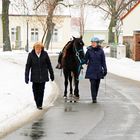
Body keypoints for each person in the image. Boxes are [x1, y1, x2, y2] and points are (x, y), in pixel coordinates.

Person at [25, 42, 54, 110]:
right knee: (35, 91)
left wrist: (51, 74)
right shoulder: (31, 55)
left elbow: (49, 65)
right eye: (36, 48)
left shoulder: (45, 54)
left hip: (43, 76)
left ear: (41, 48)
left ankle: (39, 104)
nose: (38, 50)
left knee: (41, 90)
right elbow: (28, 66)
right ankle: (37, 102)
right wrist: (26, 77)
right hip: (34, 76)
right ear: (34, 48)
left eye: (39, 49)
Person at [85, 37, 107, 103]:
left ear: (97, 43)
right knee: (93, 84)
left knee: (97, 84)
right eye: (92, 42)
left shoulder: (101, 51)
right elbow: (85, 59)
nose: (93, 44)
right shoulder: (89, 50)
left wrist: (105, 69)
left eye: (94, 42)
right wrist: (82, 62)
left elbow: (103, 61)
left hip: (99, 70)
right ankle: (94, 98)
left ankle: (95, 96)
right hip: (91, 70)